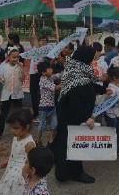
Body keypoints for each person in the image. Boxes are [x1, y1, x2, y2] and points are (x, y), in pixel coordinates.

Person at [52, 46, 101, 184]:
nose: (92, 60)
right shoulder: (76, 71)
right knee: (73, 143)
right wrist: (85, 118)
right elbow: (74, 100)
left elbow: (89, 86)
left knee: (66, 142)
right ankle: (73, 173)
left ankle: (65, 168)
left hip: (73, 115)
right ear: (86, 58)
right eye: (91, 58)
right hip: (72, 116)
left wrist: (103, 89)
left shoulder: (79, 69)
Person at [0, 109, 36, 195]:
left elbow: (32, 162)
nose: (12, 130)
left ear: (27, 127)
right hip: (11, 167)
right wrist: (7, 159)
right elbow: (14, 151)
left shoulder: (29, 144)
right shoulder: (16, 137)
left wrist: (28, 177)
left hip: (20, 174)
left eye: (16, 128)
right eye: (11, 127)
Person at [0, 48, 24, 142]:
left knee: (18, 113)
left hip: (17, 93)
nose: (16, 59)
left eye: (17, 57)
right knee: (3, 114)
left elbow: (22, 79)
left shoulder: (19, 67)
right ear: (8, 57)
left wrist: (22, 68)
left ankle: (19, 132)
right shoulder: (4, 67)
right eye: (13, 57)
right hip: (6, 94)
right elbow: (2, 80)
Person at [36, 61, 59, 146]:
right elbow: (56, 88)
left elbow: (57, 76)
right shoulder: (43, 80)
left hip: (52, 105)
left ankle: (50, 140)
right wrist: (65, 84)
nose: (51, 69)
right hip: (44, 107)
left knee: (54, 124)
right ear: (43, 72)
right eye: (49, 68)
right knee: (41, 125)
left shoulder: (49, 77)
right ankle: (38, 141)